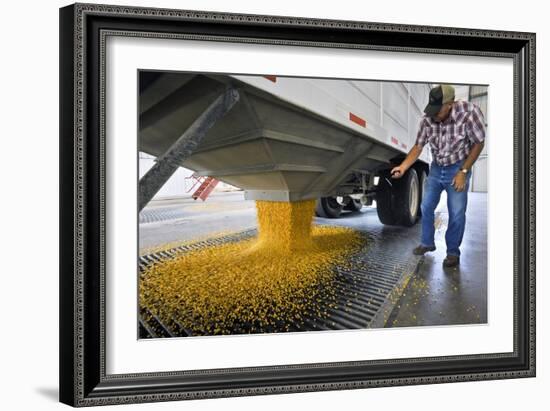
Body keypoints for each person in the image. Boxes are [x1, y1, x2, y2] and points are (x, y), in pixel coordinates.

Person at [390, 84, 486, 268]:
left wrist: (463, 171)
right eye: (431, 110)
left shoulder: (469, 113)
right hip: (436, 168)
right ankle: (427, 243)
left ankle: (452, 253)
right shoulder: (427, 120)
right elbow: (418, 146)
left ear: (450, 104)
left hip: (458, 167)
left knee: (456, 212)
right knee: (426, 206)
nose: (433, 115)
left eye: (438, 110)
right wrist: (403, 167)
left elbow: (479, 143)